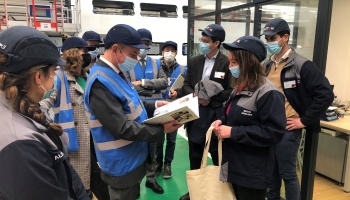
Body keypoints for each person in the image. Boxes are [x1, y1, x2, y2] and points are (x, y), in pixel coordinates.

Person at [83, 24, 182, 200]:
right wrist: (161, 130)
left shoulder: (118, 72)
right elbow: (121, 128)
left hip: (133, 157)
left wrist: (155, 104)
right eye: (132, 54)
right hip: (120, 165)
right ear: (115, 49)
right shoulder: (100, 81)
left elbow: (130, 103)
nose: (136, 59)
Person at [0, 26, 89, 200]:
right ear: (38, 77)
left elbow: (66, 171)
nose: (55, 77)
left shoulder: (20, 106)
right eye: (54, 71)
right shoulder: (20, 144)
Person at [261, 18, 334, 200]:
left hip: (287, 130)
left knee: (288, 174)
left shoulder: (301, 65)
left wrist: (304, 120)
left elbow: (325, 94)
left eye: (273, 38)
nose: (269, 42)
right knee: (271, 174)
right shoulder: (268, 66)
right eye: (267, 38)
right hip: (269, 128)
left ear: (285, 37)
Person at [210, 35, 286, 200]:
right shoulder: (239, 87)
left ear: (249, 63)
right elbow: (231, 113)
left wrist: (233, 132)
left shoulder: (268, 93)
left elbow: (273, 132)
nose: (230, 67)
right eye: (230, 61)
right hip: (233, 165)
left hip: (252, 173)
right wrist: (221, 120)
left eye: (234, 63)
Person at [40, 37, 110, 199]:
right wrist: (49, 130)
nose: (87, 55)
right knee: (81, 183)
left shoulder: (87, 76)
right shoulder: (58, 77)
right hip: (75, 141)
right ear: (72, 53)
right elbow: (42, 106)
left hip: (94, 138)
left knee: (96, 178)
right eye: (84, 51)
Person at [170, 24, 233, 200]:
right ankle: (195, 192)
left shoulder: (227, 63)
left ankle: (220, 191)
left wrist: (211, 98)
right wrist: (197, 95)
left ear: (216, 43)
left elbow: (231, 90)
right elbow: (186, 85)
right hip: (196, 115)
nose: (202, 43)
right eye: (202, 40)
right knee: (195, 154)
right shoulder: (195, 61)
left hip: (216, 117)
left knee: (219, 156)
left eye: (206, 41)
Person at [125, 28, 167, 194]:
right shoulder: (127, 63)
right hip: (135, 108)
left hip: (155, 108)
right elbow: (127, 85)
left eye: (147, 44)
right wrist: (151, 88)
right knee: (136, 143)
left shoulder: (157, 63)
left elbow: (164, 82)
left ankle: (151, 179)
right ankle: (135, 182)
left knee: (154, 145)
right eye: (141, 43)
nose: (143, 47)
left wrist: (142, 83)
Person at [155, 40, 187, 179]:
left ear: (176, 53)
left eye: (172, 50)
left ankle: (167, 164)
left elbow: (186, 87)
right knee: (158, 137)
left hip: (176, 107)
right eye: (166, 50)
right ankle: (158, 163)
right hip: (158, 107)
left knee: (172, 139)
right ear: (162, 52)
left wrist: (178, 92)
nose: (169, 53)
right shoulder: (156, 67)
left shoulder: (182, 69)